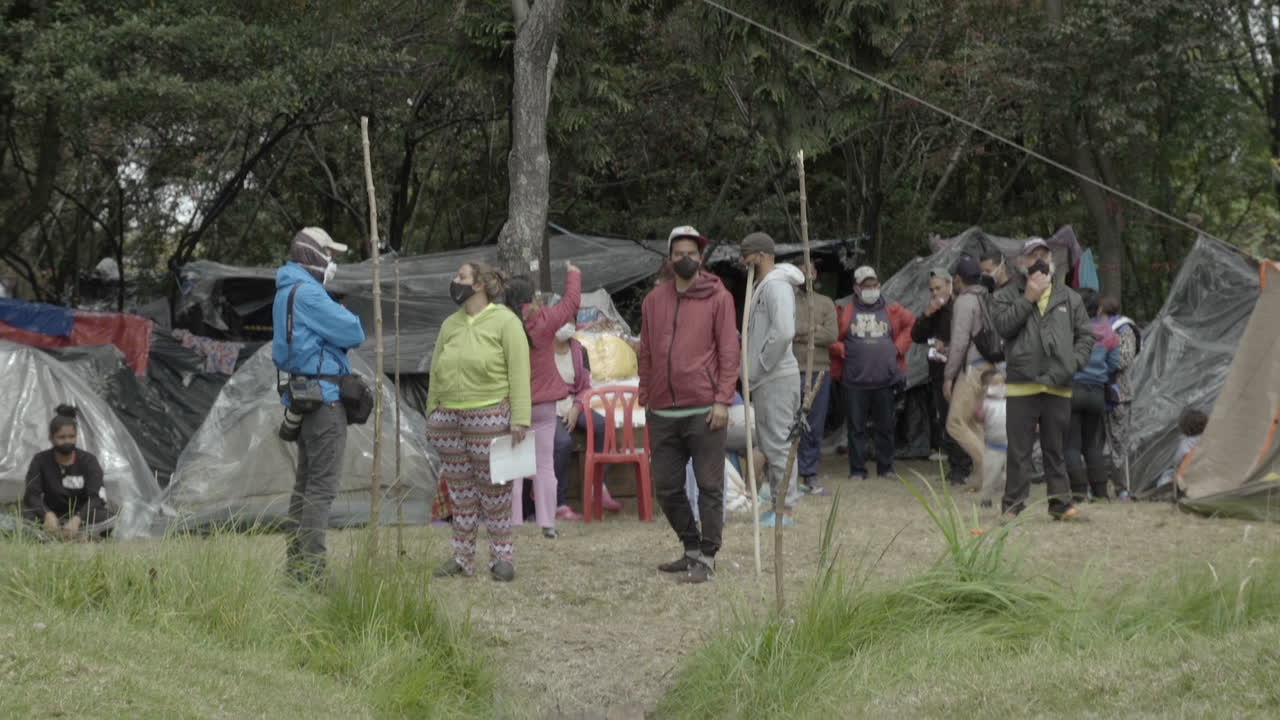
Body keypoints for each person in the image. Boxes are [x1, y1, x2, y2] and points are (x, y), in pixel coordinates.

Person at [638, 225, 740, 584]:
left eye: (692, 253)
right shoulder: (653, 301)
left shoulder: (718, 297)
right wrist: (645, 394)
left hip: (704, 408)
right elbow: (646, 351)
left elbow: (729, 350)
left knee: (710, 485)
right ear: (670, 258)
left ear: (701, 258)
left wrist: (723, 399)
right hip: (662, 411)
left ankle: (709, 556)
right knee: (666, 485)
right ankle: (691, 548)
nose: (686, 259)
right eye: (679, 253)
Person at [426, 262, 531, 582]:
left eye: (461, 277)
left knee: (495, 491)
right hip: (449, 418)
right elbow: (435, 368)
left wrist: (521, 418)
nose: (454, 281)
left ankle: (502, 558)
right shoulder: (450, 324)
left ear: (479, 285)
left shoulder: (506, 322)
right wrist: (433, 412)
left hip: (490, 416)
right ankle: (462, 557)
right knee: (460, 493)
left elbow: (519, 371)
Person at [272, 227, 366, 583]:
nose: (333, 263)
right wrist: (339, 313)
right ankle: (313, 571)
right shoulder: (310, 294)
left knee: (305, 486)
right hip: (325, 401)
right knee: (321, 490)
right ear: (313, 254)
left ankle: (296, 566)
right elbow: (354, 332)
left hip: (304, 398)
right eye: (330, 254)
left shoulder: (286, 290)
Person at [990, 238, 1094, 522]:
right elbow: (1003, 327)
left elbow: (1086, 335)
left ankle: (1061, 505)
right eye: (1032, 256)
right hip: (1022, 383)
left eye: (1043, 255)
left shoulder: (1070, 298)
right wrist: (1028, 298)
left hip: (1058, 384)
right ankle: (1012, 507)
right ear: (1021, 263)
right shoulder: (1005, 295)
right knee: (1019, 450)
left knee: (1055, 449)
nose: (1038, 260)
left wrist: (1072, 363)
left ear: (1052, 261)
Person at [504, 263, 582, 539]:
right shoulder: (546, 320)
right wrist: (573, 273)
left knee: (513, 468)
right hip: (545, 406)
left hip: (513, 405)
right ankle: (548, 524)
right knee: (545, 465)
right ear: (532, 299)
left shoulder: (502, 325)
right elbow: (571, 303)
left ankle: (512, 524)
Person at [740, 232, 804, 527]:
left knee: (778, 444)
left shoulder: (776, 286)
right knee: (771, 442)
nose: (744, 262)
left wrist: (761, 363)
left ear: (762, 255)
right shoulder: (763, 285)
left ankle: (785, 510)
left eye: (747, 255)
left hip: (775, 375)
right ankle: (780, 502)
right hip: (766, 378)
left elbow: (784, 331)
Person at [830, 266, 915, 481]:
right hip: (854, 380)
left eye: (874, 285)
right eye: (866, 286)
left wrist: (898, 348)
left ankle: (886, 468)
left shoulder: (892, 309)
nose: (872, 289)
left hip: (885, 379)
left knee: (885, 427)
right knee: (856, 428)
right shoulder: (844, 311)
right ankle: (857, 470)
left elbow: (911, 324)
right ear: (856, 289)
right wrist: (841, 350)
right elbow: (829, 336)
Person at [550, 322, 620, 519]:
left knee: (603, 425)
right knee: (563, 443)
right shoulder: (540, 349)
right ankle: (559, 503)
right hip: (548, 405)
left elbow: (585, 386)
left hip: (573, 402)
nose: (567, 325)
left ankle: (597, 487)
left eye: (571, 320)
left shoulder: (579, 350)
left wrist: (576, 408)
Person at [910, 265, 973, 486]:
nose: (935, 293)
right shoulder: (933, 312)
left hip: (959, 374)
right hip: (937, 374)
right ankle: (955, 466)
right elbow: (916, 336)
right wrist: (926, 314)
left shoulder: (960, 308)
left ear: (949, 285)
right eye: (931, 290)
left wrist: (945, 345)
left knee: (958, 420)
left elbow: (967, 340)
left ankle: (964, 468)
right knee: (946, 421)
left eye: (938, 288)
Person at [941, 257, 992, 489]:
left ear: (958, 279)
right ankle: (979, 479)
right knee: (974, 423)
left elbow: (960, 342)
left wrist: (949, 376)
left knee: (955, 423)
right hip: (991, 366)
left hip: (972, 367)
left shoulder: (965, 302)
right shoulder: (990, 297)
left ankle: (989, 465)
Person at [1065, 288, 1120, 502]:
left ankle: (1079, 494)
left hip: (1072, 390)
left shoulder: (1070, 330)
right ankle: (1101, 493)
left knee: (1071, 445)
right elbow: (1115, 364)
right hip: (1097, 393)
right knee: (1093, 445)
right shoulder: (1108, 332)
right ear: (1098, 309)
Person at [24, 405, 109, 539]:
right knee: (27, 516)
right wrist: (47, 514)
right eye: (61, 437)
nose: (67, 441)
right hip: (51, 515)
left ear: (76, 436)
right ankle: (53, 534)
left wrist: (77, 519)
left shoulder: (89, 461)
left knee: (106, 517)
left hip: (83, 515)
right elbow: (31, 495)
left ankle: (80, 535)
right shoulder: (40, 460)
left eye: (71, 436)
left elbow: (96, 497)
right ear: (51, 438)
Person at [793, 262, 838, 495]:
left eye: (809, 270)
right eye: (800, 270)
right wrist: (813, 327)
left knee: (814, 425)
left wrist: (801, 332)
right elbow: (787, 329)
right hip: (792, 369)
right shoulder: (787, 300)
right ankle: (789, 476)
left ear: (815, 273)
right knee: (791, 424)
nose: (805, 275)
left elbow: (831, 335)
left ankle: (809, 474)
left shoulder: (825, 302)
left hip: (820, 370)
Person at [1100, 296, 1140, 500]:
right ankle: (1096, 486)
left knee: (1119, 443)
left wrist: (1098, 363)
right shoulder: (1096, 327)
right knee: (1094, 444)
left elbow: (1124, 359)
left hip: (1118, 394)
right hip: (1096, 391)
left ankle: (1122, 487)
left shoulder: (1124, 329)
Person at [974, 370, 1008, 509]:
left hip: (1012, 445)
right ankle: (986, 498)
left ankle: (1010, 497)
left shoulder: (1011, 401)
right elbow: (977, 416)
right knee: (990, 475)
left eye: (1003, 383)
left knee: (1011, 475)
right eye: (995, 383)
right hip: (993, 446)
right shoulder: (985, 403)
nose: (1000, 386)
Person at [1157, 408, 1208, 488]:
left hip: (1186, 474)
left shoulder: (1185, 445)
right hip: (1204, 471)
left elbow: (1178, 461)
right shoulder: (1208, 437)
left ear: (1183, 427)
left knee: (1164, 479)